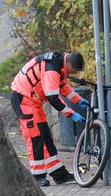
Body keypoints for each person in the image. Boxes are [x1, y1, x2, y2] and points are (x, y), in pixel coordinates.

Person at [10, 52, 89, 187]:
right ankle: (37, 176)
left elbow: (63, 87)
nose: (74, 74)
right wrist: (71, 114)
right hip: (24, 100)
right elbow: (53, 98)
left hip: (33, 101)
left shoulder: (59, 66)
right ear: (69, 64)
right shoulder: (52, 68)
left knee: (45, 138)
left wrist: (78, 100)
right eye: (74, 71)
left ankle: (59, 174)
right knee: (35, 138)